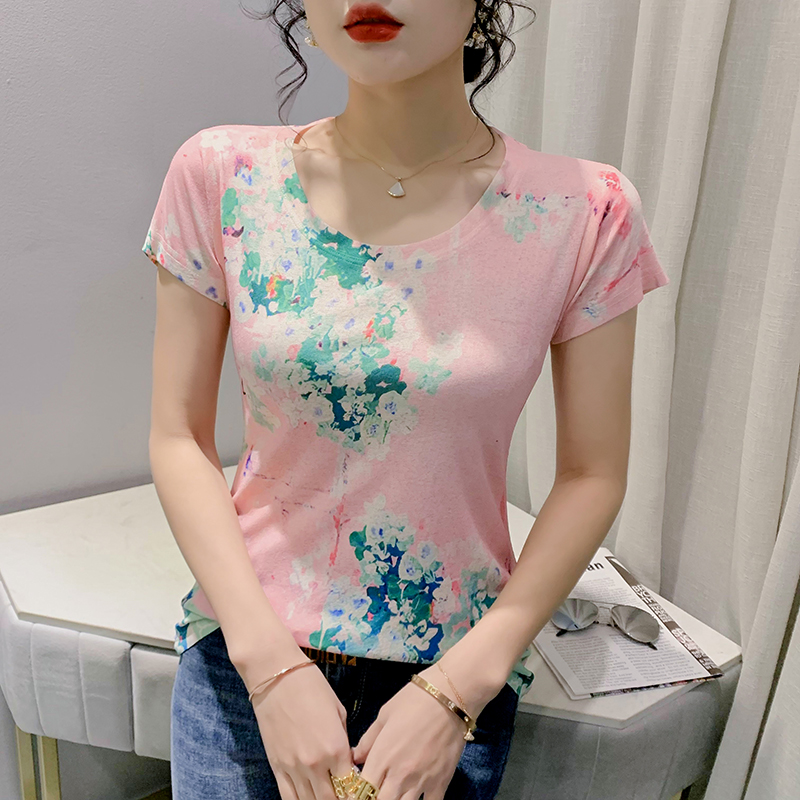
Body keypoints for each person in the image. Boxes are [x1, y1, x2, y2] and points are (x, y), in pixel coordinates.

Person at [141, 1, 670, 798]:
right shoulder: (223, 175)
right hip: (247, 661)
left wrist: (462, 686)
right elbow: (178, 436)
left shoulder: (583, 211)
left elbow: (593, 474)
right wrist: (270, 668)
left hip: (450, 678)